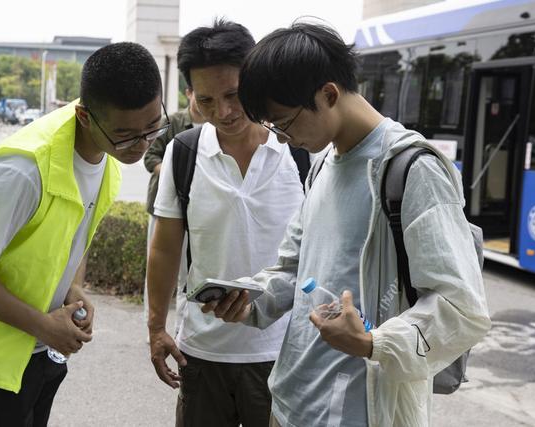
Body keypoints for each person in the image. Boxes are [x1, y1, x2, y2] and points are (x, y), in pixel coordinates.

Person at [205, 23, 491, 426]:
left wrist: (372, 342)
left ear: (328, 94)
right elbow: (294, 270)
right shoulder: (323, 162)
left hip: (359, 411)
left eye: (283, 122)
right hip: (290, 401)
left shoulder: (411, 169)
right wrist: (248, 301)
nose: (282, 139)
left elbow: (461, 306)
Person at [0, 42, 167, 426]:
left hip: (35, 350)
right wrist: (43, 326)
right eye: (125, 135)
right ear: (84, 116)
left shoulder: (107, 156)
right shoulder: (22, 171)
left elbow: (73, 232)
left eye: (153, 126)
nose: (142, 145)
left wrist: (74, 289)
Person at [147, 20, 304, 427]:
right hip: (202, 352)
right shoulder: (184, 154)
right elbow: (164, 248)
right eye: (207, 100)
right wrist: (155, 328)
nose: (224, 112)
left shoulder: (299, 154)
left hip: (281, 352)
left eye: (233, 95)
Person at [143, 87, 205, 334]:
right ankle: (153, 325)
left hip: (196, 211)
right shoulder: (171, 122)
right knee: (157, 271)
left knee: (187, 274)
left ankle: (180, 327)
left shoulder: (215, 125)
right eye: (202, 95)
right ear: (189, 93)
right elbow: (150, 158)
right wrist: (175, 174)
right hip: (163, 207)